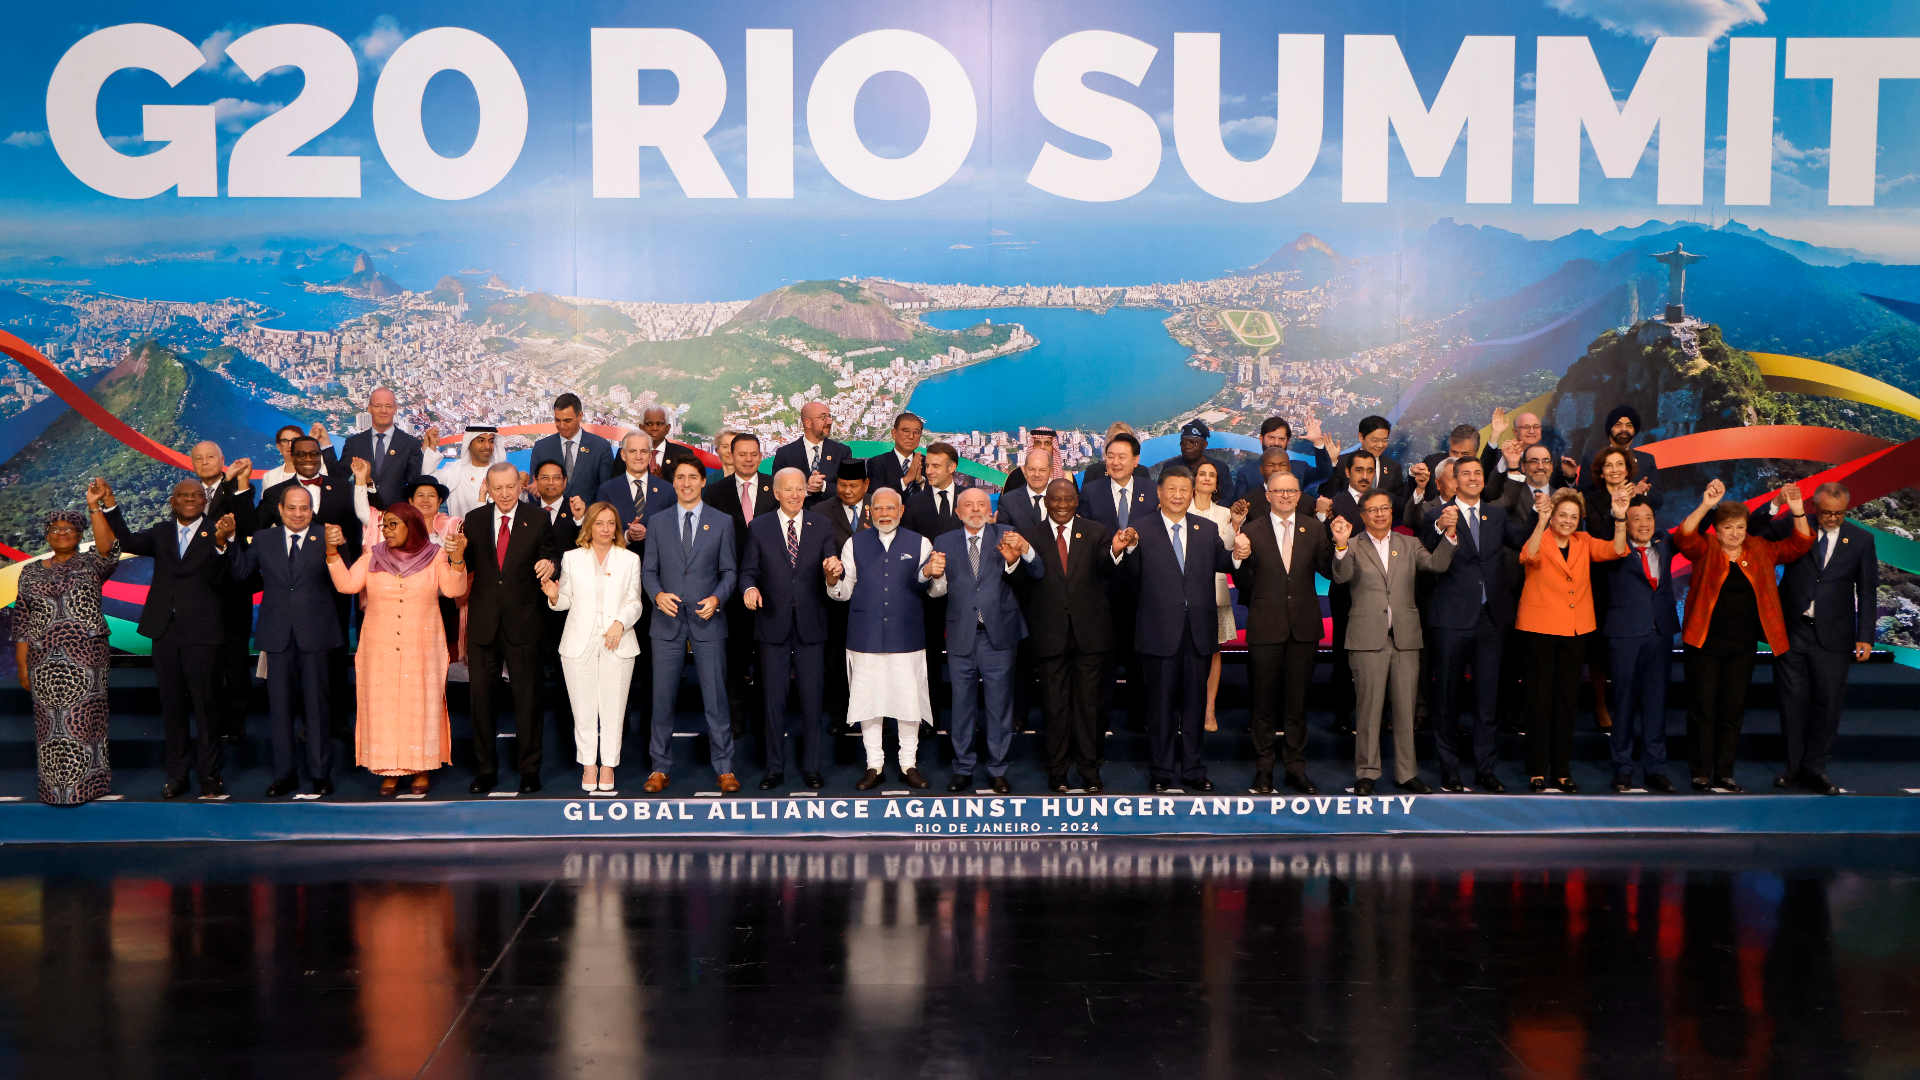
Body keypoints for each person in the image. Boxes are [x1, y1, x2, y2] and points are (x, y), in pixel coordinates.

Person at [99, 476, 238, 797]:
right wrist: (110, 504)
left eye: (196, 495)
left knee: (206, 707)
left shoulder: (219, 531)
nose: (190, 499)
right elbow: (128, 541)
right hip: (165, 631)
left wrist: (221, 543)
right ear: (172, 502)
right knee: (172, 706)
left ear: (205, 501)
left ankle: (210, 776)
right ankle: (177, 775)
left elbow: (223, 578)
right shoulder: (161, 532)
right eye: (182, 495)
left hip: (203, 633)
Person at [1673, 480, 1813, 792]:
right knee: (1703, 709)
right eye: (1727, 528)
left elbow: (1801, 543)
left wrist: (1798, 509)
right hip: (1704, 644)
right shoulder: (1706, 548)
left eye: (1739, 527)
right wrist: (1707, 505)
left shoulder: (1760, 549)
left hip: (1743, 646)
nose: (1734, 533)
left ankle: (1724, 773)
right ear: (1717, 530)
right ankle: (1700, 772)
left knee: (1732, 711)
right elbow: (1684, 536)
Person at [326, 501, 470, 796]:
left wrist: (457, 560)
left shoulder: (436, 555)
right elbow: (347, 585)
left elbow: (454, 590)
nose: (386, 530)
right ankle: (387, 769)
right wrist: (332, 553)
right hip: (379, 647)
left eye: (393, 524)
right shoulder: (372, 556)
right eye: (384, 525)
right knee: (385, 706)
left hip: (423, 645)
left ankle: (420, 768)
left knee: (420, 705)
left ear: (412, 526)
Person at [1116, 465, 1236, 792]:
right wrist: (1126, 549)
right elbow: (1127, 577)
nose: (1179, 495)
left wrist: (1239, 555)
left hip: (1198, 632)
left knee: (1195, 707)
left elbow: (1224, 563)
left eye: (1185, 489)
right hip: (1158, 633)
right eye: (1172, 489)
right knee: (1160, 709)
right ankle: (1162, 771)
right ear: (1159, 492)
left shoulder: (1206, 528)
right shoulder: (1140, 529)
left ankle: (1194, 769)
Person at [1329, 491, 1457, 795]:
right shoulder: (1353, 544)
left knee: (1405, 711)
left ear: (1391, 511)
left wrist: (1450, 535)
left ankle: (1406, 773)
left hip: (1405, 639)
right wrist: (1340, 544)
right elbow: (1341, 575)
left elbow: (1436, 566)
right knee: (1369, 711)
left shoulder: (1409, 544)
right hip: (1366, 639)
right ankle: (1367, 772)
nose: (1380, 514)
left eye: (1384, 508)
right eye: (1372, 510)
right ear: (1362, 516)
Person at [825, 486, 946, 790]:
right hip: (864, 637)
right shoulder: (854, 544)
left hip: (907, 637)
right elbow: (843, 593)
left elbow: (936, 591)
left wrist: (935, 573)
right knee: (869, 703)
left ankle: (908, 764)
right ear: (870, 511)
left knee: (908, 703)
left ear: (901, 511)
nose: (884, 514)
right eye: (878, 509)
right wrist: (831, 580)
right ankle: (874, 765)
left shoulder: (920, 543)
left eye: (890, 508)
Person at [1763, 482, 1878, 795]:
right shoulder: (1795, 523)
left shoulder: (1862, 539)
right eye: (1826, 512)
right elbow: (1758, 530)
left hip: (1834, 636)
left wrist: (1866, 635)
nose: (1832, 518)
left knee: (1828, 704)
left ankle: (1816, 768)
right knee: (1792, 702)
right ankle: (1794, 768)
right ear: (1815, 507)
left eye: (1838, 514)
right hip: (1793, 630)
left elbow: (1867, 590)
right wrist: (1775, 504)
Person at [228, 485, 344, 797]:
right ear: (281, 510)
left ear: (311, 510)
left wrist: (339, 547)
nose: (297, 513)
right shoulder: (264, 538)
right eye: (291, 508)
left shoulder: (327, 535)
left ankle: (320, 775)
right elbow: (240, 571)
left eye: (304, 508)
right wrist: (226, 542)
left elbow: (343, 578)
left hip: (316, 632)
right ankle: (285, 775)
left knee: (317, 708)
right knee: (279, 709)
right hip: (277, 634)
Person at [1516, 486, 1631, 792]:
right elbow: (1528, 555)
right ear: (1552, 516)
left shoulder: (1584, 541)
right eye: (1562, 515)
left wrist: (1620, 518)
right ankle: (1537, 770)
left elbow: (1616, 550)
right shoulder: (1541, 537)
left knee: (1567, 704)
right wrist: (1540, 523)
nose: (1567, 521)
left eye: (1573, 516)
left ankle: (1562, 770)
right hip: (1538, 629)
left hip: (1575, 631)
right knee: (1539, 702)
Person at [1421, 457, 1524, 793]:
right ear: (1453, 480)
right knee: (1447, 698)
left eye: (1478, 473)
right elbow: (1428, 548)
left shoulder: (1495, 514)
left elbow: (1521, 540)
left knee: (1486, 700)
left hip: (1491, 619)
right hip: (1452, 618)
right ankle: (1449, 769)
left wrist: (1541, 511)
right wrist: (1441, 525)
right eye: (1465, 473)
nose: (1473, 478)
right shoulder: (1436, 514)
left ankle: (1485, 769)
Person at [11, 499, 119, 804]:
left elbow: (109, 549)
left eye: (70, 528)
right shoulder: (30, 571)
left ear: (80, 534)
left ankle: (87, 787)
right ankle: (54, 790)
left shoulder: (92, 563)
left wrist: (95, 508)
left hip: (86, 655)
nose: (62, 533)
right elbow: (22, 619)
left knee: (84, 722)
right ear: (47, 535)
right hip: (42, 657)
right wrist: (22, 664)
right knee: (50, 725)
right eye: (56, 529)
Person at [1230, 471, 1332, 795]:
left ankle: (1294, 768)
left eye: (1291, 490)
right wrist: (1238, 557)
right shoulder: (1251, 531)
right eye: (1279, 491)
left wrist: (1338, 541)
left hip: (1303, 629)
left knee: (1297, 704)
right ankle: (1263, 770)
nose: (1285, 496)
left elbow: (1329, 571)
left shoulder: (1314, 528)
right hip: (1265, 627)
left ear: (1299, 495)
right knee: (1263, 704)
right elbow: (1245, 585)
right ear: (1269, 495)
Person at [934, 488, 1042, 793]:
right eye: (968, 505)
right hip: (961, 637)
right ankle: (964, 768)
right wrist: (931, 574)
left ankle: (997, 769)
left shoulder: (1008, 533)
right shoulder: (943, 542)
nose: (976, 509)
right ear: (958, 512)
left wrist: (1020, 555)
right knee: (962, 707)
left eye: (982, 504)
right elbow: (932, 582)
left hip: (1000, 636)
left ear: (990, 509)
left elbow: (1037, 570)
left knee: (998, 707)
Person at [462, 461, 561, 794]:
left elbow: (553, 557)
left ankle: (529, 770)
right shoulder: (473, 521)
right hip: (483, 624)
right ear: (487, 489)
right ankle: (486, 770)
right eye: (497, 488)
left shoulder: (538, 518)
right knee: (480, 702)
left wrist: (551, 563)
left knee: (528, 701)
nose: (504, 494)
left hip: (525, 622)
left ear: (521, 486)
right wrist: (456, 558)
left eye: (510, 487)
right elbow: (467, 567)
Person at [642, 459, 739, 793]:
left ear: (702, 482)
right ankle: (659, 768)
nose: (686, 483)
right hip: (666, 621)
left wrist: (717, 599)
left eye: (692, 477)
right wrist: (656, 595)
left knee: (715, 699)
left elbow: (729, 572)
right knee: (662, 699)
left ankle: (725, 768)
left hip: (708, 620)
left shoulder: (722, 521)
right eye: (680, 477)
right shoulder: (657, 522)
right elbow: (648, 571)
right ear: (673, 483)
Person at [741, 468, 838, 790]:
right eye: (789, 489)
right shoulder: (759, 527)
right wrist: (749, 590)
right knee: (773, 703)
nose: (795, 495)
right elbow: (748, 572)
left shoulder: (822, 525)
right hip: (772, 626)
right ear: (777, 493)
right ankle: (774, 769)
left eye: (800, 489)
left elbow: (831, 568)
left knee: (812, 702)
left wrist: (833, 572)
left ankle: (812, 768)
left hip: (812, 626)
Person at [1019, 478, 1117, 793]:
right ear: (1046, 501)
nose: (1062, 505)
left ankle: (1090, 772)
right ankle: (1058, 772)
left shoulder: (1096, 532)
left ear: (1077, 501)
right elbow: (1021, 584)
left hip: (1090, 635)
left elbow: (1107, 569)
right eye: (1056, 499)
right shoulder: (1029, 537)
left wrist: (1116, 550)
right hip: (1049, 635)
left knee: (1090, 708)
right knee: (1055, 708)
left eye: (1068, 499)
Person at [542, 502, 644, 793]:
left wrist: (619, 624)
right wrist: (553, 595)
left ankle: (608, 765)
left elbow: (635, 602)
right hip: (578, 645)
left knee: (614, 710)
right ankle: (589, 764)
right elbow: (565, 601)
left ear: (617, 528)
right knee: (583, 710)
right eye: (599, 523)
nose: (605, 529)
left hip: (618, 644)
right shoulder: (572, 558)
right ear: (589, 526)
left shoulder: (629, 560)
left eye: (611, 523)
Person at [1600, 497, 1680, 793]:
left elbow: (1694, 531)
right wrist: (1618, 513)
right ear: (1626, 522)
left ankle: (1655, 768)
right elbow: (1613, 528)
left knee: (1655, 703)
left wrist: (1708, 505)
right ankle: (1622, 768)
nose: (1644, 524)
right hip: (1625, 635)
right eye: (1637, 518)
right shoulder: (1615, 548)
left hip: (1659, 633)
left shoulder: (1665, 544)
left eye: (1648, 517)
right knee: (1624, 704)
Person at [1079, 430, 1155, 733]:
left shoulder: (1152, 491)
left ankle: (1140, 720)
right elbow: (1085, 540)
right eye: (1110, 456)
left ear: (1136, 460)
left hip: (1143, 592)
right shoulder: (1092, 491)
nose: (1115, 462)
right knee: (1103, 662)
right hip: (1103, 591)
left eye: (1122, 456)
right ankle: (1101, 722)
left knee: (1141, 661)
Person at [188, 440, 259, 745]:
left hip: (232, 589)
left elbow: (247, 526)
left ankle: (235, 722)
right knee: (205, 661)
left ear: (222, 460)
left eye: (211, 457)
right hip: (198, 590)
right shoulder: (186, 495)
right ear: (192, 464)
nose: (205, 462)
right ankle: (210, 722)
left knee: (234, 661)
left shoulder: (238, 490)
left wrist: (235, 481)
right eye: (199, 458)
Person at [704, 431, 775, 737]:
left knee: (768, 657)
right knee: (734, 658)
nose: (748, 460)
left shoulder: (776, 489)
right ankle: (737, 715)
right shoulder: (714, 493)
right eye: (741, 454)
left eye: (753, 454)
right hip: (730, 591)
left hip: (771, 588)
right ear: (730, 456)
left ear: (761, 456)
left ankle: (765, 716)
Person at [1315, 449, 1383, 734]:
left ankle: (1380, 716)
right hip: (1346, 592)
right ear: (1348, 472)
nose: (1365, 476)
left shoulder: (1384, 503)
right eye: (1359, 470)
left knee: (1380, 656)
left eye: (1370, 470)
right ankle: (1342, 714)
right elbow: (1323, 549)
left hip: (1380, 593)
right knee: (1344, 657)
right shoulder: (1337, 503)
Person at [1581, 445, 1647, 731]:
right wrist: (1616, 508)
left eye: (1619, 464)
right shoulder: (1591, 499)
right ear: (1600, 471)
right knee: (1598, 649)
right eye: (1608, 465)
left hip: (1632, 578)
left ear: (1628, 468)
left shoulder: (1641, 499)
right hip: (1599, 580)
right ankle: (1600, 704)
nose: (1615, 470)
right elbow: (1598, 538)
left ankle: (1627, 704)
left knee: (1628, 647)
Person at [1188, 459, 1244, 732]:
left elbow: (1232, 554)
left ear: (1217, 484)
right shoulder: (1177, 508)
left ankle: (1209, 709)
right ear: (1194, 479)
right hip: (1181, 594)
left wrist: (1236, 524)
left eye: (1212, 475)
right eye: (1202, 474)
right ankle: (1187, 709)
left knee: (1212, 651)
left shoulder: (1225, 514)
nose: (1207, 478)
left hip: (1215, 593)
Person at [822, 458, 871, 729]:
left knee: (874, 663)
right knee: (836, 663)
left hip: (874, 601)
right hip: (836, 602)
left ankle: (876, 714)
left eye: (853, 485)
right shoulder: (820, 511)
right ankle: (839, 717)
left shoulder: (881, 507)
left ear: (866, 484)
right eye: (842, 485)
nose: (847, 491)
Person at [322, 388, 424, 510]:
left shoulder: (410, 444)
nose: (383, 411)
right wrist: (326, 444)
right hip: (362, 516)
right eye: (378, 406)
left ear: (395, 409)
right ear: (369, 408)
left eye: (388, 406)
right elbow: (339, 477)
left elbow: (415, 483)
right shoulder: (354, 443)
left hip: (396, 520)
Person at [531, 392, 619, 504]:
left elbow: (606, 493)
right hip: (549, 519)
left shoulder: (600, 447)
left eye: (567, 421)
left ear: (580, 416)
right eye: (558, 420)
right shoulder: (541, 448)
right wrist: (536, 495)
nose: (562, 426)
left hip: (587, 519)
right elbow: (533, 487)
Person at [1483, 409, 1578, 501]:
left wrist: (1570, 478)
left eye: (1536, 427)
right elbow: (1485, 477)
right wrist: (1495, 434)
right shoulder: (1502, 457)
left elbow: (1565, 497)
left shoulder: (1554, 460)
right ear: (1515, 432)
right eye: (1526, 427)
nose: (1532, 431)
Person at [1231, 416, 1330, 503]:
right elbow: (1239, 507)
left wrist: (1318, 443)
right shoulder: (1246, 473)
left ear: (1287, 441)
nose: (1276, 443)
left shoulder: (1300, 469)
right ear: (1261, 439)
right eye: (1272, 438)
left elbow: (1325, 474)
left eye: (1281, 439)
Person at [772, 401, 852, 506]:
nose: (829, 421)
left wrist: (823, 486)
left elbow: (850, 489)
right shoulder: (785, 454)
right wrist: (806, 489)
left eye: (829, 417)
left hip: (832, 518)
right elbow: (777, 492)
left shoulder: (842, 452)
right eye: (823, 417)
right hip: (798, 518)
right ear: (807, 422)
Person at [1580, 404, 1658, 496]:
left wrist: (1641, 493)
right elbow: (1584, 496)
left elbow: (1658, 499)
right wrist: (1618, 494)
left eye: (1629, 425)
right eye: (1618, 425)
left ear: (1634, 430)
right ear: (1610, 429)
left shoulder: (1647, 460)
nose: (1624, 429)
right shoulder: (1591, 459)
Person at [435, 426, 502, 519]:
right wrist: (430, 447)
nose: (487, 446)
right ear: (469, 444)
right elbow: (427, 484)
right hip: (459, 532)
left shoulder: (502, 471)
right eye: (481, 441)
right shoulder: (453, 469)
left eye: (491, 441)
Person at [867, 412, 928, 495]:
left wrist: (920, 481)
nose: (911, 436)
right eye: (906, 431)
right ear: (894, 433)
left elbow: (936, 498)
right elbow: (877, 497)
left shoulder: (927, 463)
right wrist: (906, 479)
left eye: (916, 432)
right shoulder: (877, 463)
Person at [997, 447, 1056, 534]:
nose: (1036, 475)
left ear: (1051, 472)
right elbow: (1003, 537)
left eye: (1042, 470)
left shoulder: (1061, 499)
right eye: (1031, 469)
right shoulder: (1008, 501)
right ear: (1024, 470)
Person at [640, 405, 701, 478]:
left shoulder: (684, 455)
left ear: (668, 428)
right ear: (641, 428)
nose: (655, 428)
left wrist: (664, 483)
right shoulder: (627, 455)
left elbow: (689, 485)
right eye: (649, 424)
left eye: (660, 424)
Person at [1159, 418, 1228, 483]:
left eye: (1192, 442)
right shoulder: (1170, 467)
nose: (1187, 446)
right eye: (1184, 443)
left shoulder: (1220, 468)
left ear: (1204, 445)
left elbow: (1227, 495)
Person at [1002, 426, 1069, 491]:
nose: (1042, 447)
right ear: (1032, 447)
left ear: (1053, 448)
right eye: (1038, 443)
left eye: (1047, 443)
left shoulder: (1067, 478)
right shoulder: (1016, 476)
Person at [259, 424, 308, 492]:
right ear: (279, 447)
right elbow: (267, 502)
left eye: (295, 440)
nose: (290, 445)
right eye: (284, 441)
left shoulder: (318, 471)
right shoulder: (269, 476)